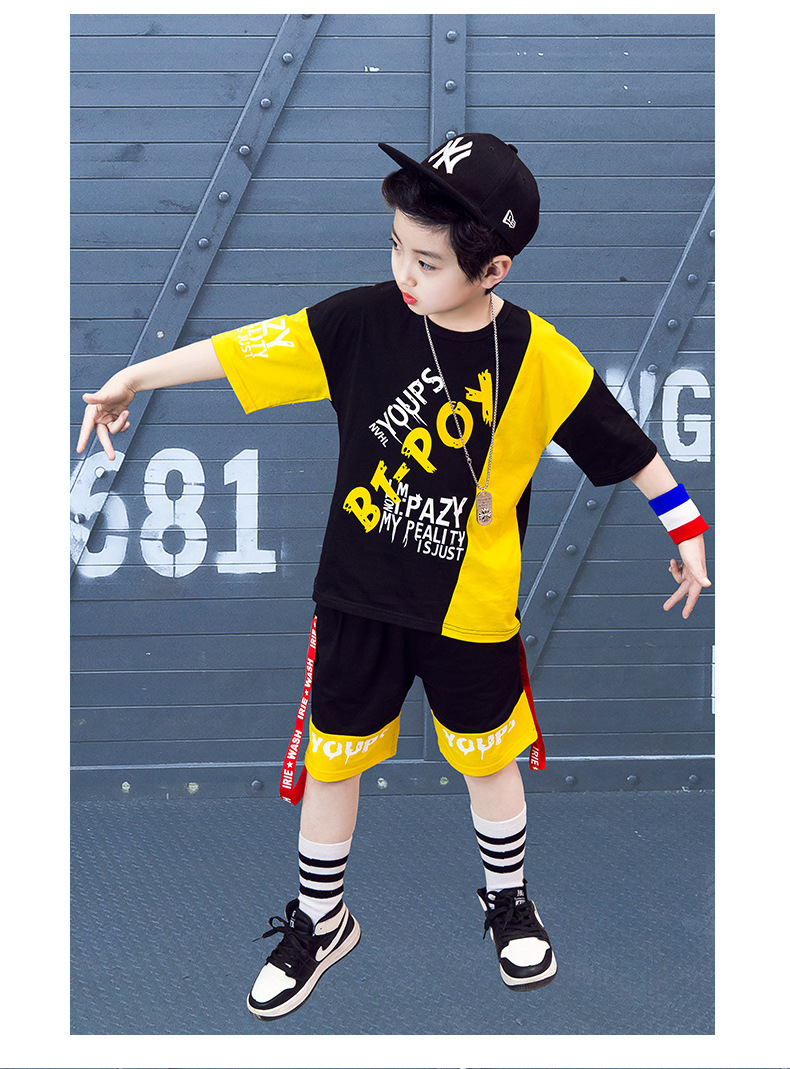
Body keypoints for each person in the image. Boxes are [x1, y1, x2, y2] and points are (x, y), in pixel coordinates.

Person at [77, 132, 711, 1019]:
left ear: (493, 269)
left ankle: (508, 902)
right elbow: (243, 349)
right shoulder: (363, 321)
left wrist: (688, 531)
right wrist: (135, 377)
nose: (404, 272)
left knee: (490, 760)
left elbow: (629, 447)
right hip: (359, 598)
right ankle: (321, 919)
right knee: (332, 761)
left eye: (427, 261)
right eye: (396, 248)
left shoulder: (539, 356)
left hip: (472, 611)